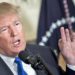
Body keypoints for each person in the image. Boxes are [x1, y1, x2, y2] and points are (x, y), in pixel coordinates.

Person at [0, 2, 74, 75]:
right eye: (4, 29)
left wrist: (71, 63)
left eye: (16, 24)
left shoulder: (45, 53)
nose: (14, 33)